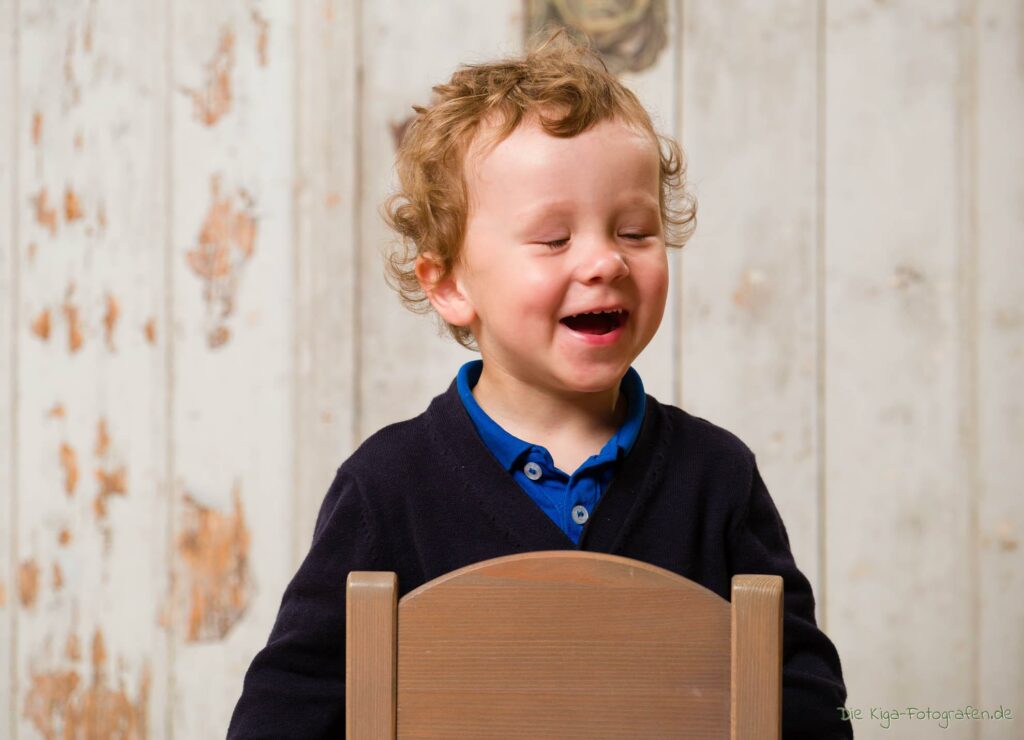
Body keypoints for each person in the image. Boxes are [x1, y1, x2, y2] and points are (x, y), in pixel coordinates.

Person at [228, 26, 852, 739]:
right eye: (554, 239)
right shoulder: (389, 487)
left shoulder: (716, 477)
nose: (605, 262)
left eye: (635, 232)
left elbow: (803, 691)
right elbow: (290, 704)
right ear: (450, 285)